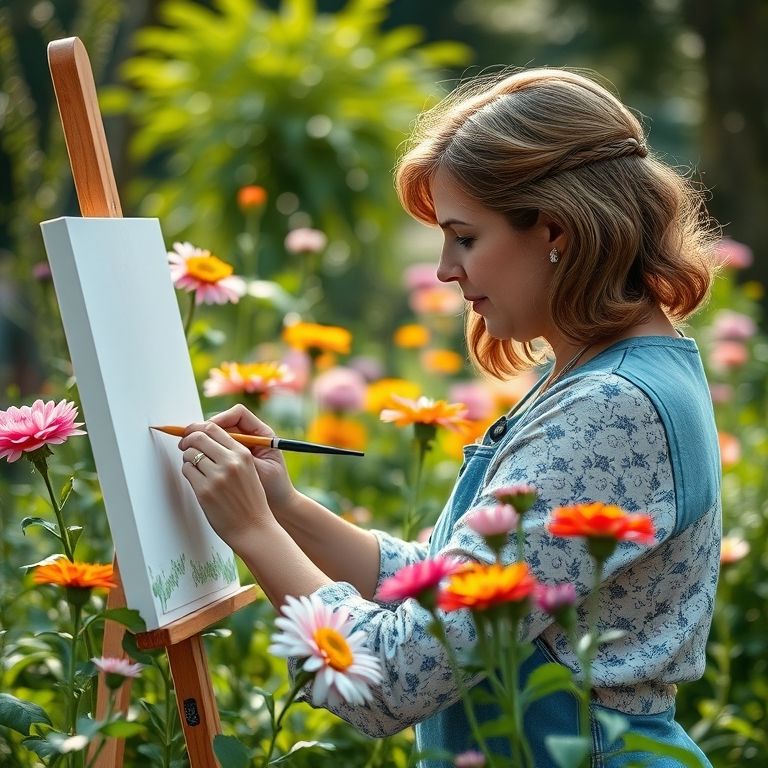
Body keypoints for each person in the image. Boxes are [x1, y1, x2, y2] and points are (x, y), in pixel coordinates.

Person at [177, 68, 721, 767]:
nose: (444, 270)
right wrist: (286, 509)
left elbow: (394, 680)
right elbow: (447, 592)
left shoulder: (611, 408)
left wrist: (251, 529)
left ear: (555, 228)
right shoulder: (612, 375)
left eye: (464, 238)